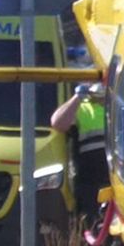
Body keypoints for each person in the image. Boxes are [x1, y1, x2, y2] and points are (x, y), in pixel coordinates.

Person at [50, 82, 108, 216]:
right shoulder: (82, 108)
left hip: (119, 178)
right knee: (91, 220)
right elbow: (58, 123)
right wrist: (77, 98)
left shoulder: (118, 106)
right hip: (90, 179)